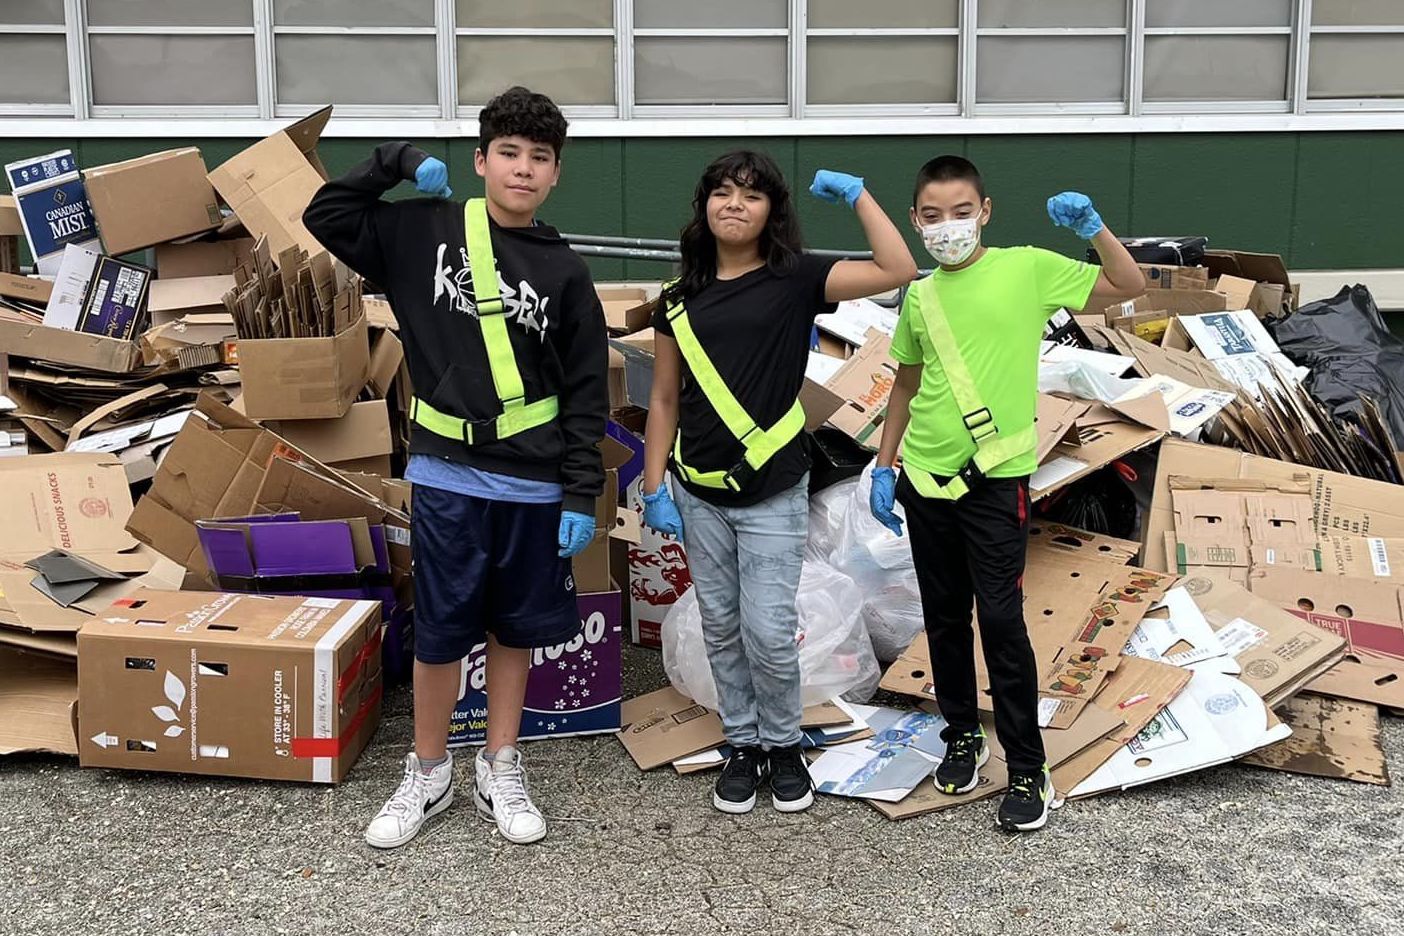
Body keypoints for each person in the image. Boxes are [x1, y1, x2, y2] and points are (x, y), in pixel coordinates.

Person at [304, 86, 607, 848]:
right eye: (508, 152)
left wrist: (580, 490)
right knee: (440, 631)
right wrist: (399, 163)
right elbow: (327, 214)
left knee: (515, 629)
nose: (523, 169)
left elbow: (584, 392)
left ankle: (499, 763)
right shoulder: (422, 233)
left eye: (540, 158)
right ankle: (429, 769)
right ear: (479, 160)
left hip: (535, 485)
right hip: (445, 476)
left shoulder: (565, 272)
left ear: (557, 174)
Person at [869, 155, 1145, 832]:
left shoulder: (1026, 267)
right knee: (941, 618)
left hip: (996, 478)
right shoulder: (921, 295)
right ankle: (961, 735)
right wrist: (883, 464)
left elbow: (1127, 283)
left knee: (1000, 620)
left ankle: (1027, 766)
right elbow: (905, 383)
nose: (947, 228)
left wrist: (1096, 227)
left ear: (985, 211)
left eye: (960, 212)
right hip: (924, 478)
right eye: (932, 217)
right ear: (915, 221)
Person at [641, 151, 917, 815]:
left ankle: (783, 742)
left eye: (752, 194)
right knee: (722, 624)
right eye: (723, 192)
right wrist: (654, 486)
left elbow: (898, 268)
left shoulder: (796, 278)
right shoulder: (678, 300)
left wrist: (857, 194)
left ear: (772, 212)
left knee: (768, 627)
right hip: (697, 489)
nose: (735, 204)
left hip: (773, 487)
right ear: (703, 205)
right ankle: (742, 743)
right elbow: (663, 401)